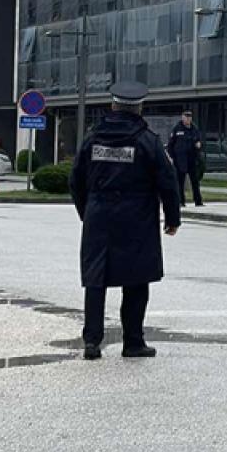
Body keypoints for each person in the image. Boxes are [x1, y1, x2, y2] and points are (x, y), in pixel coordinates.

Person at [69, 81, 182, 360]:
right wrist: (172, 218)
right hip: (136, 218)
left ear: (112, 106)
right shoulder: (148, 141)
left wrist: (87, 211)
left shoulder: (92, 138)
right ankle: (133, 342)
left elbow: (75, 178)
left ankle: (92, 342)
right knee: (137, 278)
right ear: (139, 108)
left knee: (95, 279)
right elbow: (167, 181)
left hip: (99, 215)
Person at [167, 110, 203, 207]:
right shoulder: (177, 129)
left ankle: (198, 201)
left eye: (189, 117)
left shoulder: (194, 129)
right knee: (180, 181)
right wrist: (171, 157)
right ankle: (181, 201)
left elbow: (199, 141)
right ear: (182, 117)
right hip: (180, 159)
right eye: (186, 117)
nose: (188, 119)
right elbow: (171, 144)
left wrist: (199, 145)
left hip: (192, 159)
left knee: (195, 181)